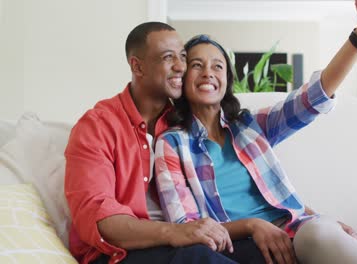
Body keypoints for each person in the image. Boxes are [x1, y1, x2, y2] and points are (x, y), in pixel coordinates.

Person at [154, 1, 357, 264]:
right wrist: (252, 225)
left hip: (294, 234)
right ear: (182, 80)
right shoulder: (172, 143)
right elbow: (186, 225)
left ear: (227, 81)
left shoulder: (250, 127)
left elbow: (313, 97)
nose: (208, 72)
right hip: (237, 247)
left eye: (218, 66)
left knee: (321, 232)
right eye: (197, 65)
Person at [64, 22, 266, 264]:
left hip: (184, 242)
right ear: (137, 66)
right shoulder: (96, 127)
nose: (181, 67)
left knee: (262, 251)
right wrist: (176, 232)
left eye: (182, 56)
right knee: (199, 256)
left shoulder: (183, 124)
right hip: (118, 254)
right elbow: (100, 219)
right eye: (168, 57)